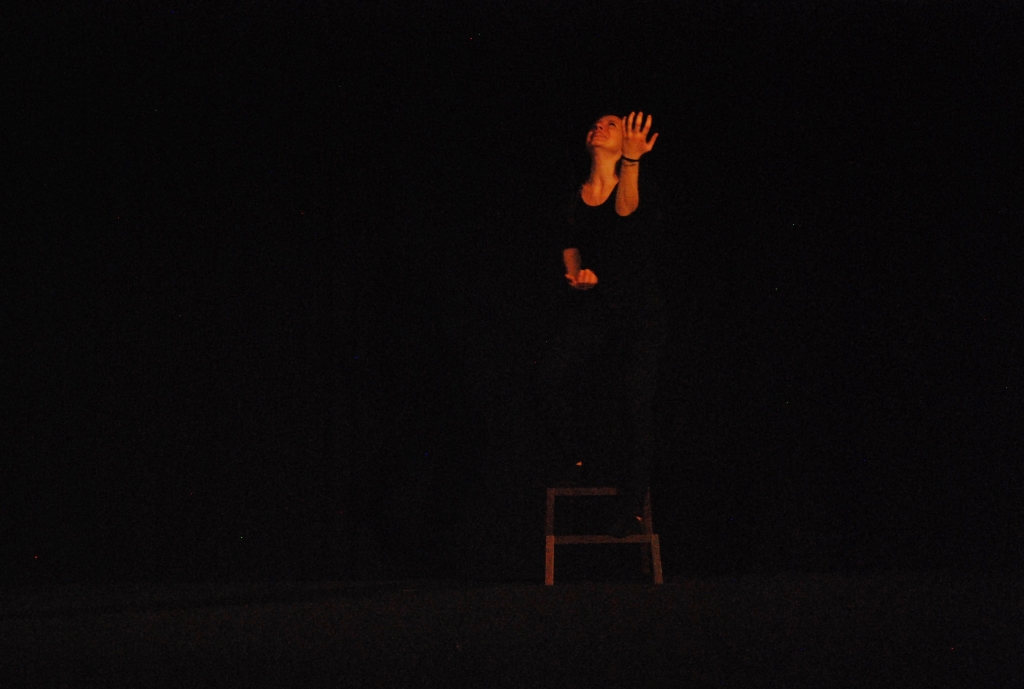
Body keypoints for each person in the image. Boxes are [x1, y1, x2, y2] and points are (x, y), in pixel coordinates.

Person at [538, 111, 667, 538]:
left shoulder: (633, 182)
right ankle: (574, 454)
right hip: (597, 306)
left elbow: (626, 214)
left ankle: (631, 507)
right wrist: (575, 275)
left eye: (611, 124)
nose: (600, 127)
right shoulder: (574, 194)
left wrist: (631, 160)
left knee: (634, 401)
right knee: (552, 372)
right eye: (595, 123)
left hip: (639, 310)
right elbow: (569, 243)